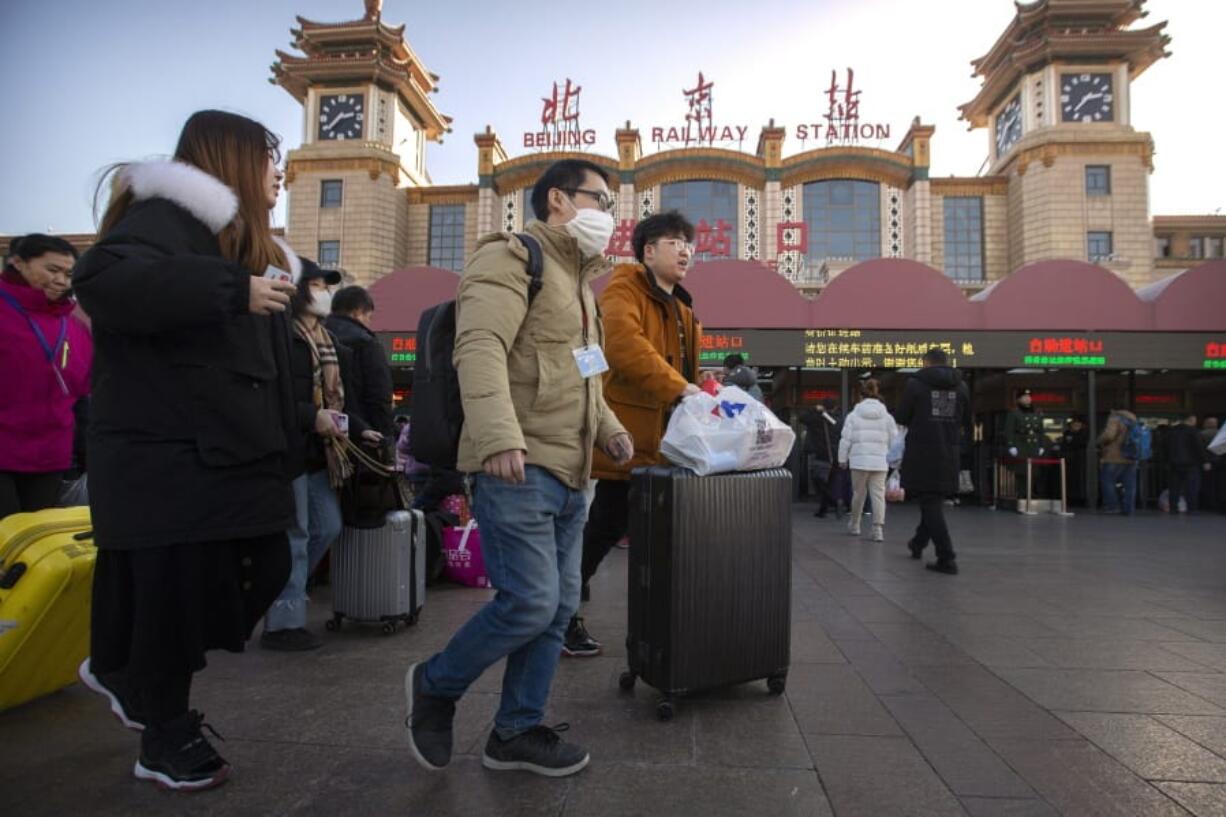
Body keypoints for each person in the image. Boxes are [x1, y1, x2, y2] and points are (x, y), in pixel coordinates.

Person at [72, 110, 300, 791]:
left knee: (268, 562)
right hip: (165, 456)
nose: (278, 173)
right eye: (269, 158)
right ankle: (162, 727)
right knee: (169, 601)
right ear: (230, 159)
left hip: (234, 454)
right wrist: (230, 289)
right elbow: (105, 281)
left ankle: (127, 669)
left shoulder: (243, 245)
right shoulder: (162, 219)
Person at [405, 159, 632, 778]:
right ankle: (436, 683)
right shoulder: (510, 257)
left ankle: (516, 731)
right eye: (599, 200)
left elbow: (588, 377)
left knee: (558, 610)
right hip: (518, 463)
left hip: (572, 471)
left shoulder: (582, 288)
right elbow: (478, 347)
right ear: (558, 199)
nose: (608, 216)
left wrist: (610, 431)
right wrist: (498, 434)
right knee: (530, 602)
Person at [566, 210, 701, 658]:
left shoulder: (682, 307)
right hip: (630, 439)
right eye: (674, 242)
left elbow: (684, 372)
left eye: (689, 243)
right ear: (647, 250)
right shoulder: (625, 286)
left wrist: (698, 395)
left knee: (631, 532)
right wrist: (681, 388)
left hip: (666, 446)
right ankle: (564, 614)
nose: (685, 250)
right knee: (606, 528)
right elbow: (623, 346)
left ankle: (655, 627)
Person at [261, 258, 381, 651]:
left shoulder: (329, 342)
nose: (323, 291)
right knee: (295, 534)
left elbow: (340, 400)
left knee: (326, 525)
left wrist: (360, 428)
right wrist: (312, 416)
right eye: (315, 284)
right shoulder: (280, 335)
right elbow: (270, 398)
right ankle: (283, 622)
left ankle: (283, 593)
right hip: (288, 449)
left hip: (320, 453)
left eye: (326, 285)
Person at [0, 234, 93, 519]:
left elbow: (84, 384)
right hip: (4, 448)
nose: (61, 281)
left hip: (50, 453)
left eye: (68, 274)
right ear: (19, 263)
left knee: (36, 543)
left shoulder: (73, 320)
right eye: (52, 270)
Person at [896, 348, 970, 575]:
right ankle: (917, 543)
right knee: (933, 501)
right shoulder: (962, 386)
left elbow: (901, 417)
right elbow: (967, 419)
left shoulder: (915, 384)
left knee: (930, 503)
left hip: (922, 451)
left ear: (926, 363)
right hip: (949, 451)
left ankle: (947, 557)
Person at [326, 285, 393, 437]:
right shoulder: (366, 343)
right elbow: (379, 396)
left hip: (320, 430)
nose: (369, 323)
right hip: (363, 434)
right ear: (357, 312)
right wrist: (385, 436)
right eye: (368, 317)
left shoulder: (316, 336)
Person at [837, 378, 898, 541]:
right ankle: (878, 529)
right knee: (878, 495)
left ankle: (855, 525)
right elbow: (895, 441)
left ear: (861, 396)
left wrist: (842, 458)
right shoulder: (887, 417)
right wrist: (895, 461)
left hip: (859, 461)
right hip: (880, 462)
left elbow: (845, 439)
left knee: (858, 494)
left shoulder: (853, 415)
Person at [800, 398, 843, 518]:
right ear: (835, 407)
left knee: (819, 482)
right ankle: (822, 510)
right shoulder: (840, 420)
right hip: (837, 455)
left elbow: (802, 417)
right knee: (829, 483)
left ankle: (834, 502)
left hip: (820, 454)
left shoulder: (817, 418)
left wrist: (814, 409)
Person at [1098, 406, 1139, 515]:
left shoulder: (1115, 418)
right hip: (1131, 457)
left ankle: (1113, 506)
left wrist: (1099, 440)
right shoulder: (1133, 419)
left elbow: (1109, 435)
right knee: (1130, 485)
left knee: (1108, 481)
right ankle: (1128, 508)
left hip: (1114, 456)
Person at [1166, 414, 1205, 514]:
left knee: (1174, 488)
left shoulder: (1171, 431)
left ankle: (1173, 508)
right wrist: (1204, 460)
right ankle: (1192, 508)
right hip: (1191, 463)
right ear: (1191, 420)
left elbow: (1164, 447)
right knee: (1191, 487)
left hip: (1174, 463)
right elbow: (1199, 447)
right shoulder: (1193, 431)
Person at [1201, 417, 1224, 512]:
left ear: (1206, 423)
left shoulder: (1202, 434)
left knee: (1207, 484)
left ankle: (1208, 503)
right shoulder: (1222, 434)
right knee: (1220, 484)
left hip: (1207, 462)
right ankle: (1219, 503)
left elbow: (1200, 449)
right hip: (1221, 462)